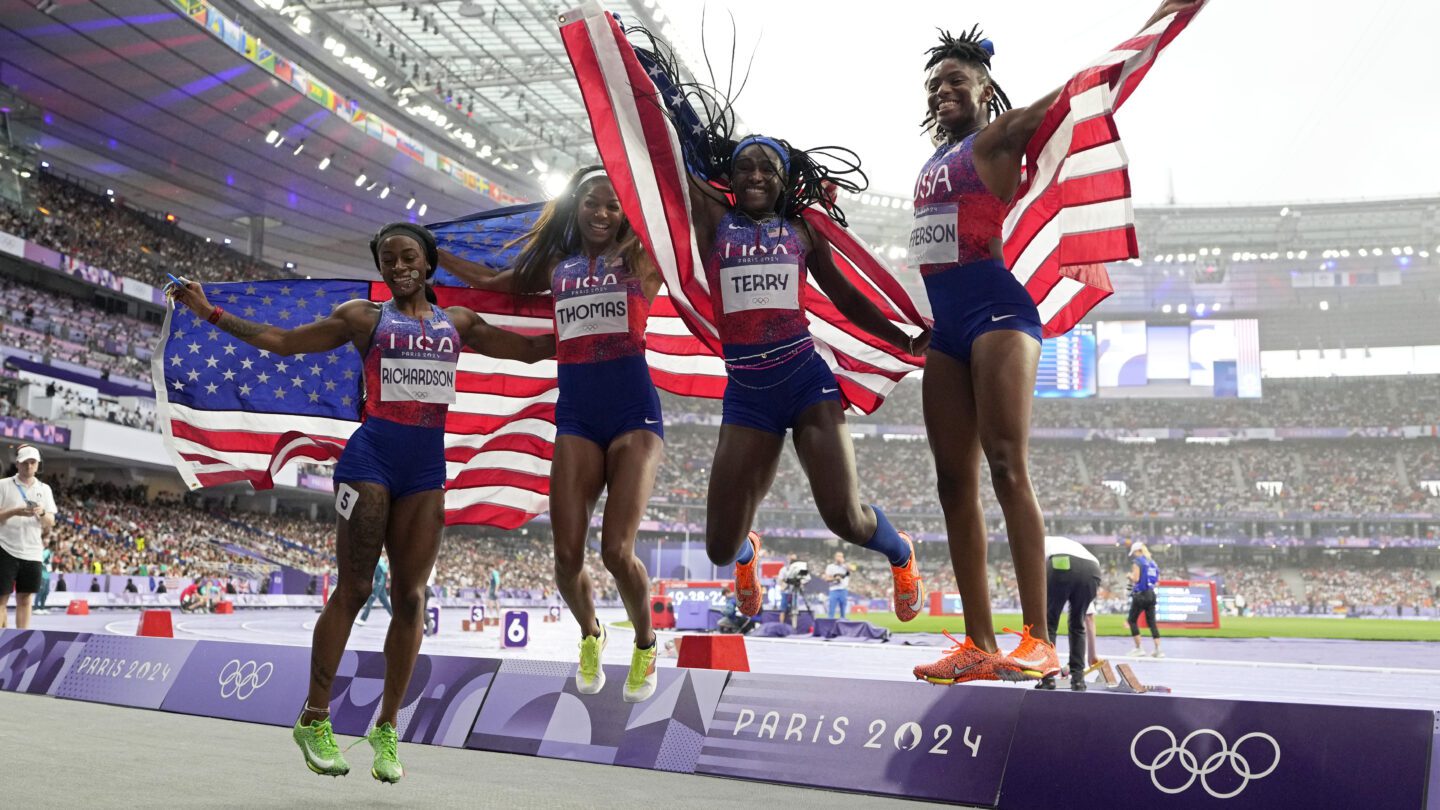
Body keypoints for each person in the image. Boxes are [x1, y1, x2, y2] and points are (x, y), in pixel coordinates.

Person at [168, 221, 555, 783]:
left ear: (428, 265)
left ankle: (387, 728)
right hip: (370, 460)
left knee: (412, 598)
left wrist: (604, 330)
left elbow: (527, 352)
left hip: (425, 470)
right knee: (352, 588)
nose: (397, 266)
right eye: (387, 260)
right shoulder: (362, 317)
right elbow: (282, 342)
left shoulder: (459, 323)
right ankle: (314, 716)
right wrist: (209, 313)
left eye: (407, 257)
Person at [912, 0, 1196, 687]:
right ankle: (979, 643)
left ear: (986, 89)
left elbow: (1080, 93)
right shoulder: (934, 161)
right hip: (945, 328)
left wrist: (1166, 15)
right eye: (935, 86)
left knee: (1005, 463)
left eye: (958, 81)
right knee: (953, 483)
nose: (945, 92)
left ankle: (1036, 636)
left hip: (999, 315)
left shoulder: (1001, 136)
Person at [440, 167, 665, 703]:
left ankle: (645, 643)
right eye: (592, 202)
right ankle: (591, 634)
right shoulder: (558, 267)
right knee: (566, 557)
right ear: (577, 206)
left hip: (635, 413)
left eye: (613, 205)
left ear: (626, 211)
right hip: (578, 417)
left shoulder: (642, 260)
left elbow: (680, 222)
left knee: (616, 550)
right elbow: (494, 284)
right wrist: (434, 253)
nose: (602, 213)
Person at [683, 135, 928, 626]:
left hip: (804, 381)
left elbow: (846, 296)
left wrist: (901, 340)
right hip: (748, 394)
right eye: (745, 167)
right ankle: (747, 555)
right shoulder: (712, 220)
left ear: (784, 180)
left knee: (845, 519)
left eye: (767, 169)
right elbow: (667, 153)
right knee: (718, 548)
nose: (755, 176)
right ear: (729, 179)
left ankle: (901, 552)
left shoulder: (801, 231)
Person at [0, 445, 57, 630]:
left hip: (32, 551)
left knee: (25, 598)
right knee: (2, 598)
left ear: (38, 464)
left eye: (32, 462)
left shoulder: (44, 489)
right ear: (17, 464)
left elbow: (51, 521)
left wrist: (40, 513)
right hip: (5, 547)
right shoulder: (3, 485)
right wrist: (16, 511)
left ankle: (19, 642)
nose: (29, 466)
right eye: (25, 462)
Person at [1037, 536, 1101, 691]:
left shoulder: (1037, 542)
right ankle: (1078, 680)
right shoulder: (1072, 546)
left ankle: (1048, 678)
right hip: (1092, 569)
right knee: (1077, 625)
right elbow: (1089, 617)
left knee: (1049, 624)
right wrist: (1093, 654)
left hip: (1062, 562)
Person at [1127, 542, 1163, 658]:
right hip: (1151, 594)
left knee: (1132, 620)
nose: (1134, 556)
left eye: (1134, 553)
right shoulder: (1153, 563)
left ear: (1138, 551)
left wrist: (1129, 576)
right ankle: (1158, 650)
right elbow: (1156, 579)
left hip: (1141, 594)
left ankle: (1139, 648)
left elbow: (1136, 578)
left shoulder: (1138, 562)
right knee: (1152, 622)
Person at [356, 554, 391, 626]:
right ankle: (394, 617)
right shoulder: (373, 561)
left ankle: (363, 619)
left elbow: (385, 571)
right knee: (385, 602)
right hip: (379, 583)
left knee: (370, 600)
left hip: (380, 583)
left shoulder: (380, 560)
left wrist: (385, 582)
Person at [824, 551, 852, 619]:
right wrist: (835, 579)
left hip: (843, 590)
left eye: (841, 556)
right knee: (831, 609)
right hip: (833, 589)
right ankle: (830, 624)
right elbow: (827, 578)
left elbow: (852, 570)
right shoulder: (830, 566)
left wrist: (844, 563)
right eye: (838, 556)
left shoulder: (845, 566)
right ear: (835, 557)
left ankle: (843, 623)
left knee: (843, 610)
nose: (839, 558)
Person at [33, 539, 54, 614]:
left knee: (46, 592)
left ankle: (42, 607)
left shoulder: (51, 553)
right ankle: (35, 608)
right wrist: (44, 565)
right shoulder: (46, 552)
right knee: (40, 591)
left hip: (47, 575)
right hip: (42, 575)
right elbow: (40, 560)